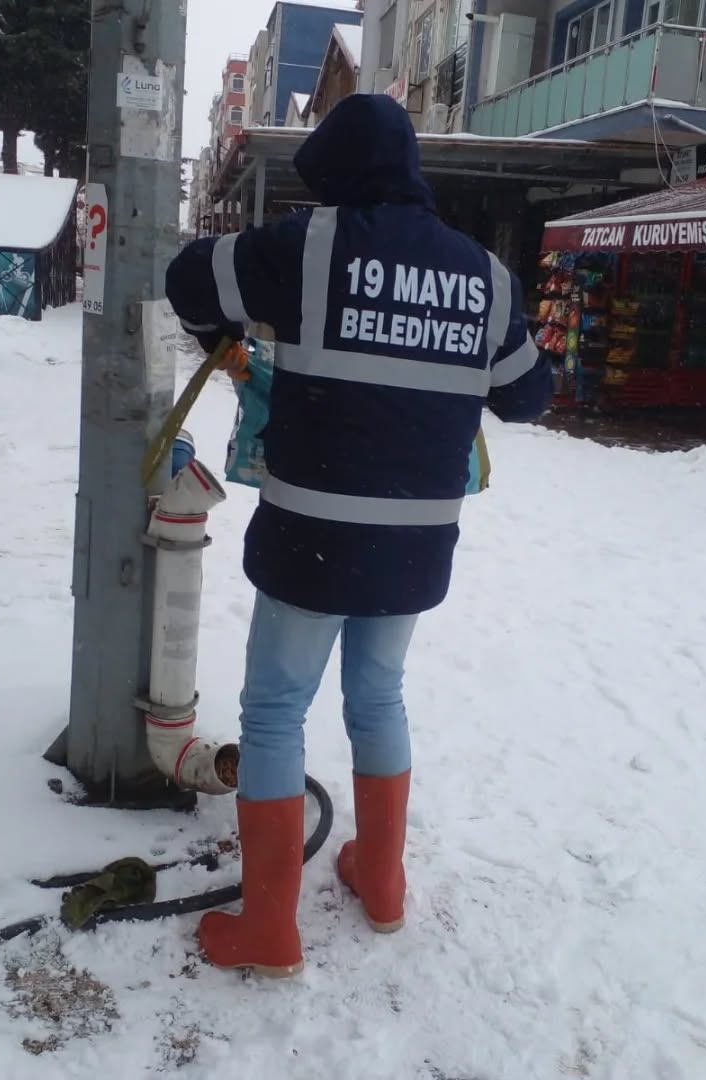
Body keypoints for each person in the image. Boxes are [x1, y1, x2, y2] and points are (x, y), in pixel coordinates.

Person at [164, 94, 552, 978]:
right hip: (415, 544)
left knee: (273, 713)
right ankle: (381, 882)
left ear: (335, 176)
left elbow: (191, 278)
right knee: (378, 699)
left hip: (313, 538)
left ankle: (269, 929)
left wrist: (239, 317)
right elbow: (529, 395)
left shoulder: (307, 248)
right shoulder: (485, 278)